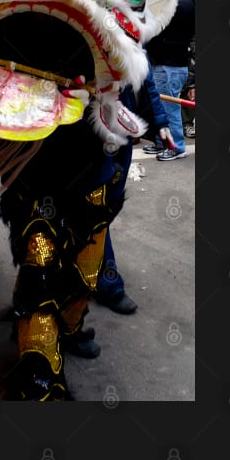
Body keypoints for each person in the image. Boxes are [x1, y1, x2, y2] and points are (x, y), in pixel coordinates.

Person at [92, 57, 175, 314]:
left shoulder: (130, 26)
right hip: (80, 130)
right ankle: (106, 282)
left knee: (107, 205)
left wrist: (160, 123)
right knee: (93, 205)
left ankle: (92, 272)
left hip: (120, 129)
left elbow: (144, 76)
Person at [143, 0, 195, 161]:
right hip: (168, 62)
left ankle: (176, 147)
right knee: (161, 105)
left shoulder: (180, 2)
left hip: (169, 64)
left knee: (169, 107)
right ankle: (161, 141)